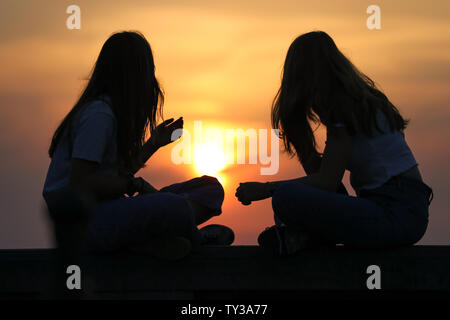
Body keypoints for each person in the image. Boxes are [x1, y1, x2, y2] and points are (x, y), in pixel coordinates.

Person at [235, 31, 433, 256]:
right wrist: (300, 138)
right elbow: (324, 179)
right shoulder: (357, 102)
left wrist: (265, 188)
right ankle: (301, 238)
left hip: (395, 212)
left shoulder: (345, 108)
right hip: (397, 211)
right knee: (295, 196)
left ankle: (303, 238)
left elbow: (326, 182)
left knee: (286, 196)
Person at [43, 31, 234, 261]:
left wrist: (153, 144)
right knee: (175, 207)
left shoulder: (107, 113)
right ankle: (195, 240)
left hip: (107, 211)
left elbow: (111, 175)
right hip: (84, 225)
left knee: (211, 189)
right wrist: (132, 184)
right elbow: (80, 182)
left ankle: (148, 244)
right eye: (147, 71)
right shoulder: (99, 115)